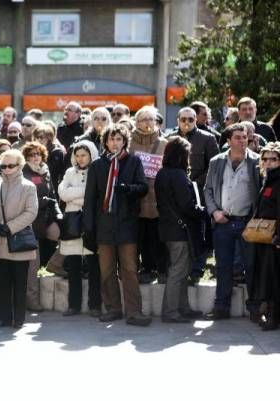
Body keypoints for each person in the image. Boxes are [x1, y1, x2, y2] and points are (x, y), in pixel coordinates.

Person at [83, 124, 152, 326]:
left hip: (127, 225)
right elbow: (90, 199)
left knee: (130, 270)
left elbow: (143, 188)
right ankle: (113, 308)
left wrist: (127, 189)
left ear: (125, 142)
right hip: (104, 226)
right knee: (106, 270)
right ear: (105, 142)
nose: (115, 143)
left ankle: (134, 312)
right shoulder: (97, 165)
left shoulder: (133, 161)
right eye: (111, 139)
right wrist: (89, 228)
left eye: (119, 139)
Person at [204, 123, 261, 320]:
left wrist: (256, 217)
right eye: (237, 137)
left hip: (248, 222)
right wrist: (214, 212)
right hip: (223, 222)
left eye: (245, 137)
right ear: (228, 141)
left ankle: (255, 309)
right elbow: (208, 190)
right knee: (223, 267)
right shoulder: (216, 162)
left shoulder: (256, 162)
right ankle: (221, 308)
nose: (243, 141)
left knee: (252, 266)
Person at [0, 149, 38, 328]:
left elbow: (31, 212)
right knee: (1, 283)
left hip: (18, 242)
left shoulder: (28, 186)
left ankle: (19, 318)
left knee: (19, 283)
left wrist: (10, 227)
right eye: (3, 165)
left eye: (10, 165)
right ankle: (3, 318)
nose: (6, 169)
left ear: (20, 165)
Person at [155, 137, 206, 323]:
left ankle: (183, 308)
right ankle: (170, 312)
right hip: (180, 231)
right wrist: (202, 211)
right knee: (178, 271)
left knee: (180, 270)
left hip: (168, 229)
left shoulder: (162, 173)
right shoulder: (178, 175)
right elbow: (186, 206)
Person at [167, 107, 219, 283]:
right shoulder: (170, 139)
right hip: (174, 195)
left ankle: (196, 271)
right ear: (178, 121)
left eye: (191, 119)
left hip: (199, 192)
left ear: (196, 120)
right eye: (183, 119)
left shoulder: (208, 138)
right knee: (178, 235)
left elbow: (214, 167)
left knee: (199, 233)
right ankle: (178, 270)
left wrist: (193, 182)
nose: (187, 123)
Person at [58, 141, 101, 317]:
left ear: (91, 154)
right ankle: (73, 305)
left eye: (84, 154)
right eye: (77, 155)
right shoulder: (69, 172)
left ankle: (95, 305)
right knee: (73, 267)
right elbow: (63, 193)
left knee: (94, 268)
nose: (80, 158)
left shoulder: (97, 170)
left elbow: (96, 196)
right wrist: (84, 194)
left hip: (91, 223)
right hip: (72, 224)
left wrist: (74, 195)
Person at [128, 106, 168, 284]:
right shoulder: (128, 144)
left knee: (158, 236)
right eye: (143, 119)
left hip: (158, 197)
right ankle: (145, 268)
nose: (148, 123)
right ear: (136, 123)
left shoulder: (165, 144)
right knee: (140, 237)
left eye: (151, 119)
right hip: (136, 198)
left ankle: (161, 269)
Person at [21, 141, 61, 312]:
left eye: (38, 154)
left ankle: (55, 264)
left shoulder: (45, 171)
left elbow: (53, 195)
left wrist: (58, 212)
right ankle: (32, 301)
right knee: (33, 266)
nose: (35, 157)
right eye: (31, 155)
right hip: (31, 223)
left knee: (69, 237)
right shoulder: (23, 172)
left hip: (47, 218)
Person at [248, 142, 280, 330]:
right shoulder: (268, 180)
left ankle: (274, 317)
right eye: (265, 159)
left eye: (273, 159)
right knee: (268, 277)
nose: (268, 162)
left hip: (274, 239)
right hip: (265, 239)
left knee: (274, 278)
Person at [33, 122, 66, 192]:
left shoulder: (56, 152)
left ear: (49, 138)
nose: (38, 140)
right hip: (35, 189)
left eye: (41, 137)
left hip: (52, 189)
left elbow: (51, 173)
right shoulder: (32, 152)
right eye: (37, 137)